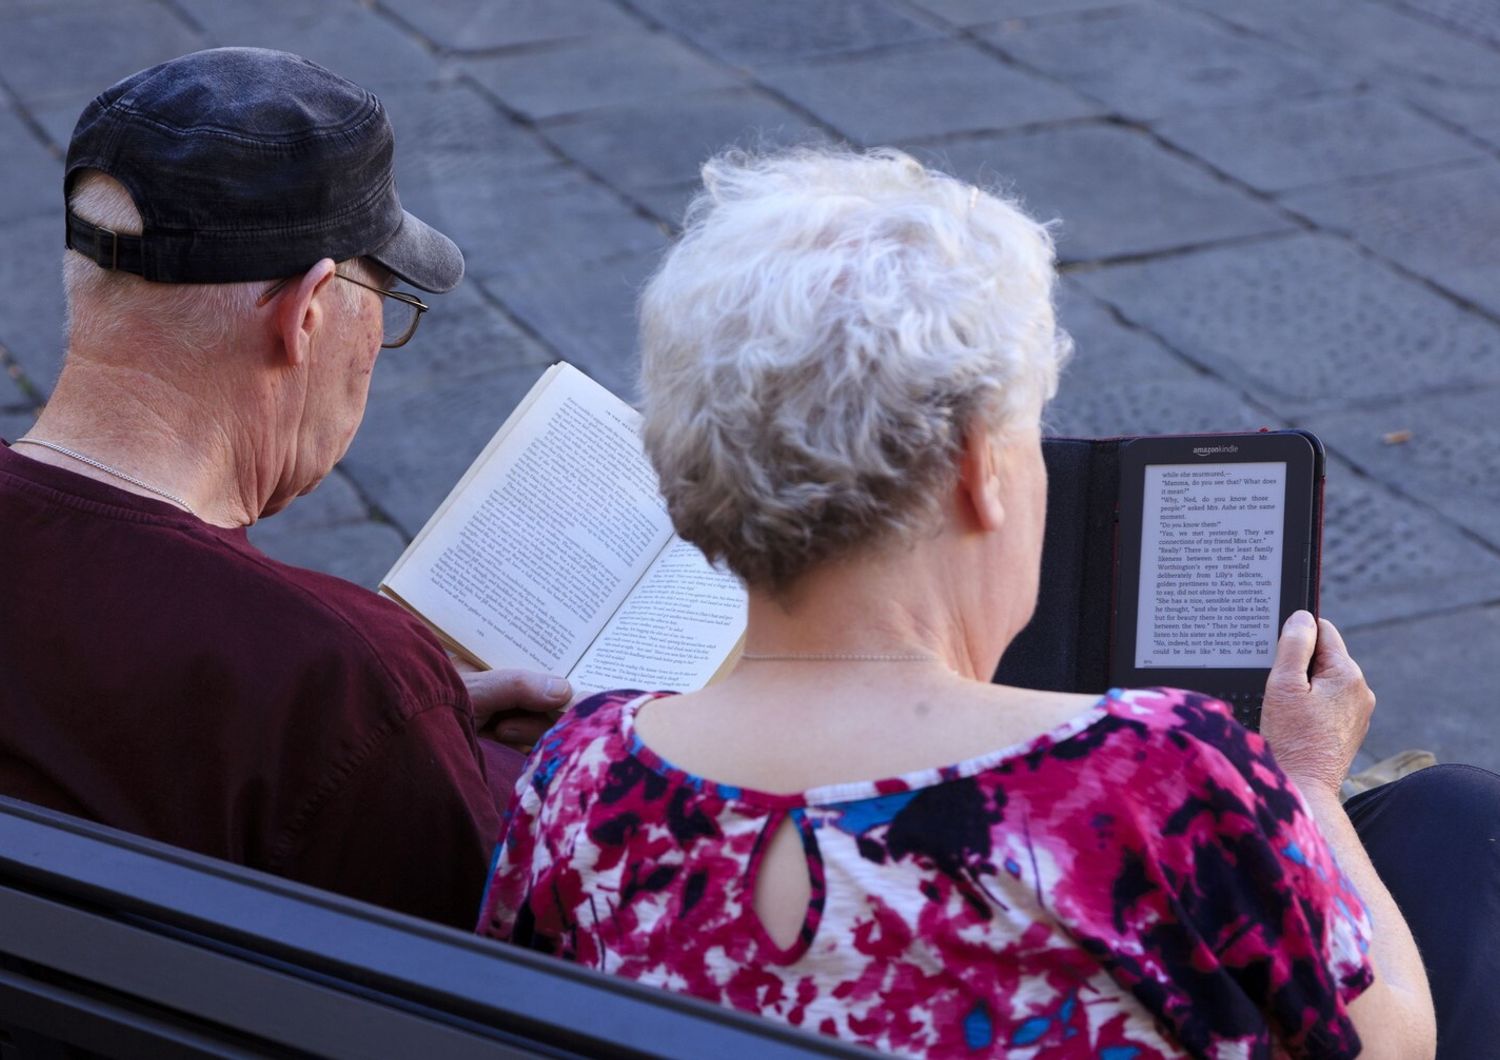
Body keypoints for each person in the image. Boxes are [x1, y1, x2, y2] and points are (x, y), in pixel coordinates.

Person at [478, 148, 1445, 1056]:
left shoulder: (579, 777)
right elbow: (1385, 1045)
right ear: (981, 468)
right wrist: (1309, 781)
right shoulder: (1151, 780)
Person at [0, 48, 566, 929]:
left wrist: (425, 728)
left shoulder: (342, 695)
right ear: (305, 314)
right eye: (385, 300)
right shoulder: (332, 685)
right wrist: (399, 720)